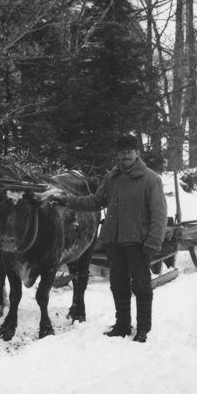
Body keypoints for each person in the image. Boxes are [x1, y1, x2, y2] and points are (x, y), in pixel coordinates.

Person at [63, 134, 168, 343]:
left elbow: (159, 214)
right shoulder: (112, 178)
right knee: (118, 285)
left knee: (141, 286)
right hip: (114, 242)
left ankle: (143, 328)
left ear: (137, 153)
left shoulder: (150, 179)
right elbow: (95, 201)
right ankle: (122, 325)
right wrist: (66, 200)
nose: (124, 157)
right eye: (120, 154)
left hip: (139, 243)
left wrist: (154, 242)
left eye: (128, 153)